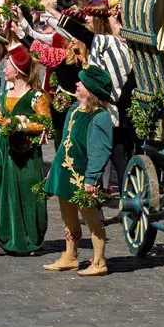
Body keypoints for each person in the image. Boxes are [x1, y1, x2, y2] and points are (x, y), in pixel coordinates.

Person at [0, 45, 50, 256]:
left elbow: (45, 123)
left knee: (28, 196)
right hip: (5, 155)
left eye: (7, 66)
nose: (3, 70)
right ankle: (8, 237)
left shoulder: (37, 96)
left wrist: (21, 125)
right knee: (6, 195)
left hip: (26, 155)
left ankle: (30, 240)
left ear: (18, 70)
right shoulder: (4, 96)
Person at [43, 65, 114, 277]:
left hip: (83, 175)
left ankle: (99, 260)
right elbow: (65, 140)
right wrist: (55, 169)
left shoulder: (99, 116)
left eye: (81, 83)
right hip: (66, 173)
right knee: (67, 215)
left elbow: (99, 150)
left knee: (90, 217)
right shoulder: (75, 109)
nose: (77, 84)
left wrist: (92, 178)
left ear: (90, 90)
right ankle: (70, 255)